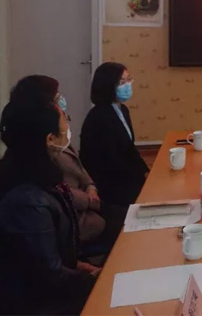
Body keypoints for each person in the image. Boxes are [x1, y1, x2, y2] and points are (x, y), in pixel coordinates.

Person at [0, 99, 97, 314]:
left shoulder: (31, 173)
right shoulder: (27, 201)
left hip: (34, 290)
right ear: (50, 139)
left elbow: (47, 257)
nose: (68, 125)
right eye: (64, 121)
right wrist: (94, 280)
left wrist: (81, 267)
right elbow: (49, 277)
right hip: (20, 304)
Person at [10, 75, 126, 253]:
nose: (62, 102)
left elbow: (80, 168)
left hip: (88, 206)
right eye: (57, 97)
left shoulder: (59, 137)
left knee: (126, 217)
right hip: (76, 219)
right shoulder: (40, 146)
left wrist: (91, 187)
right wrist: (90, 201)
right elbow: (57, 190)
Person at [80, 62, 149, 207]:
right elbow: (110, 161)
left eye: (128, 80)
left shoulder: (122, 110)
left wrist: (145, 172)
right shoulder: (99, 117)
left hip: (124, 176)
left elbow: (129, 149)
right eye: (122, 83)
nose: (127, 85)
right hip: (109, 185)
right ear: (108, 86)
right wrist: (138, 180)